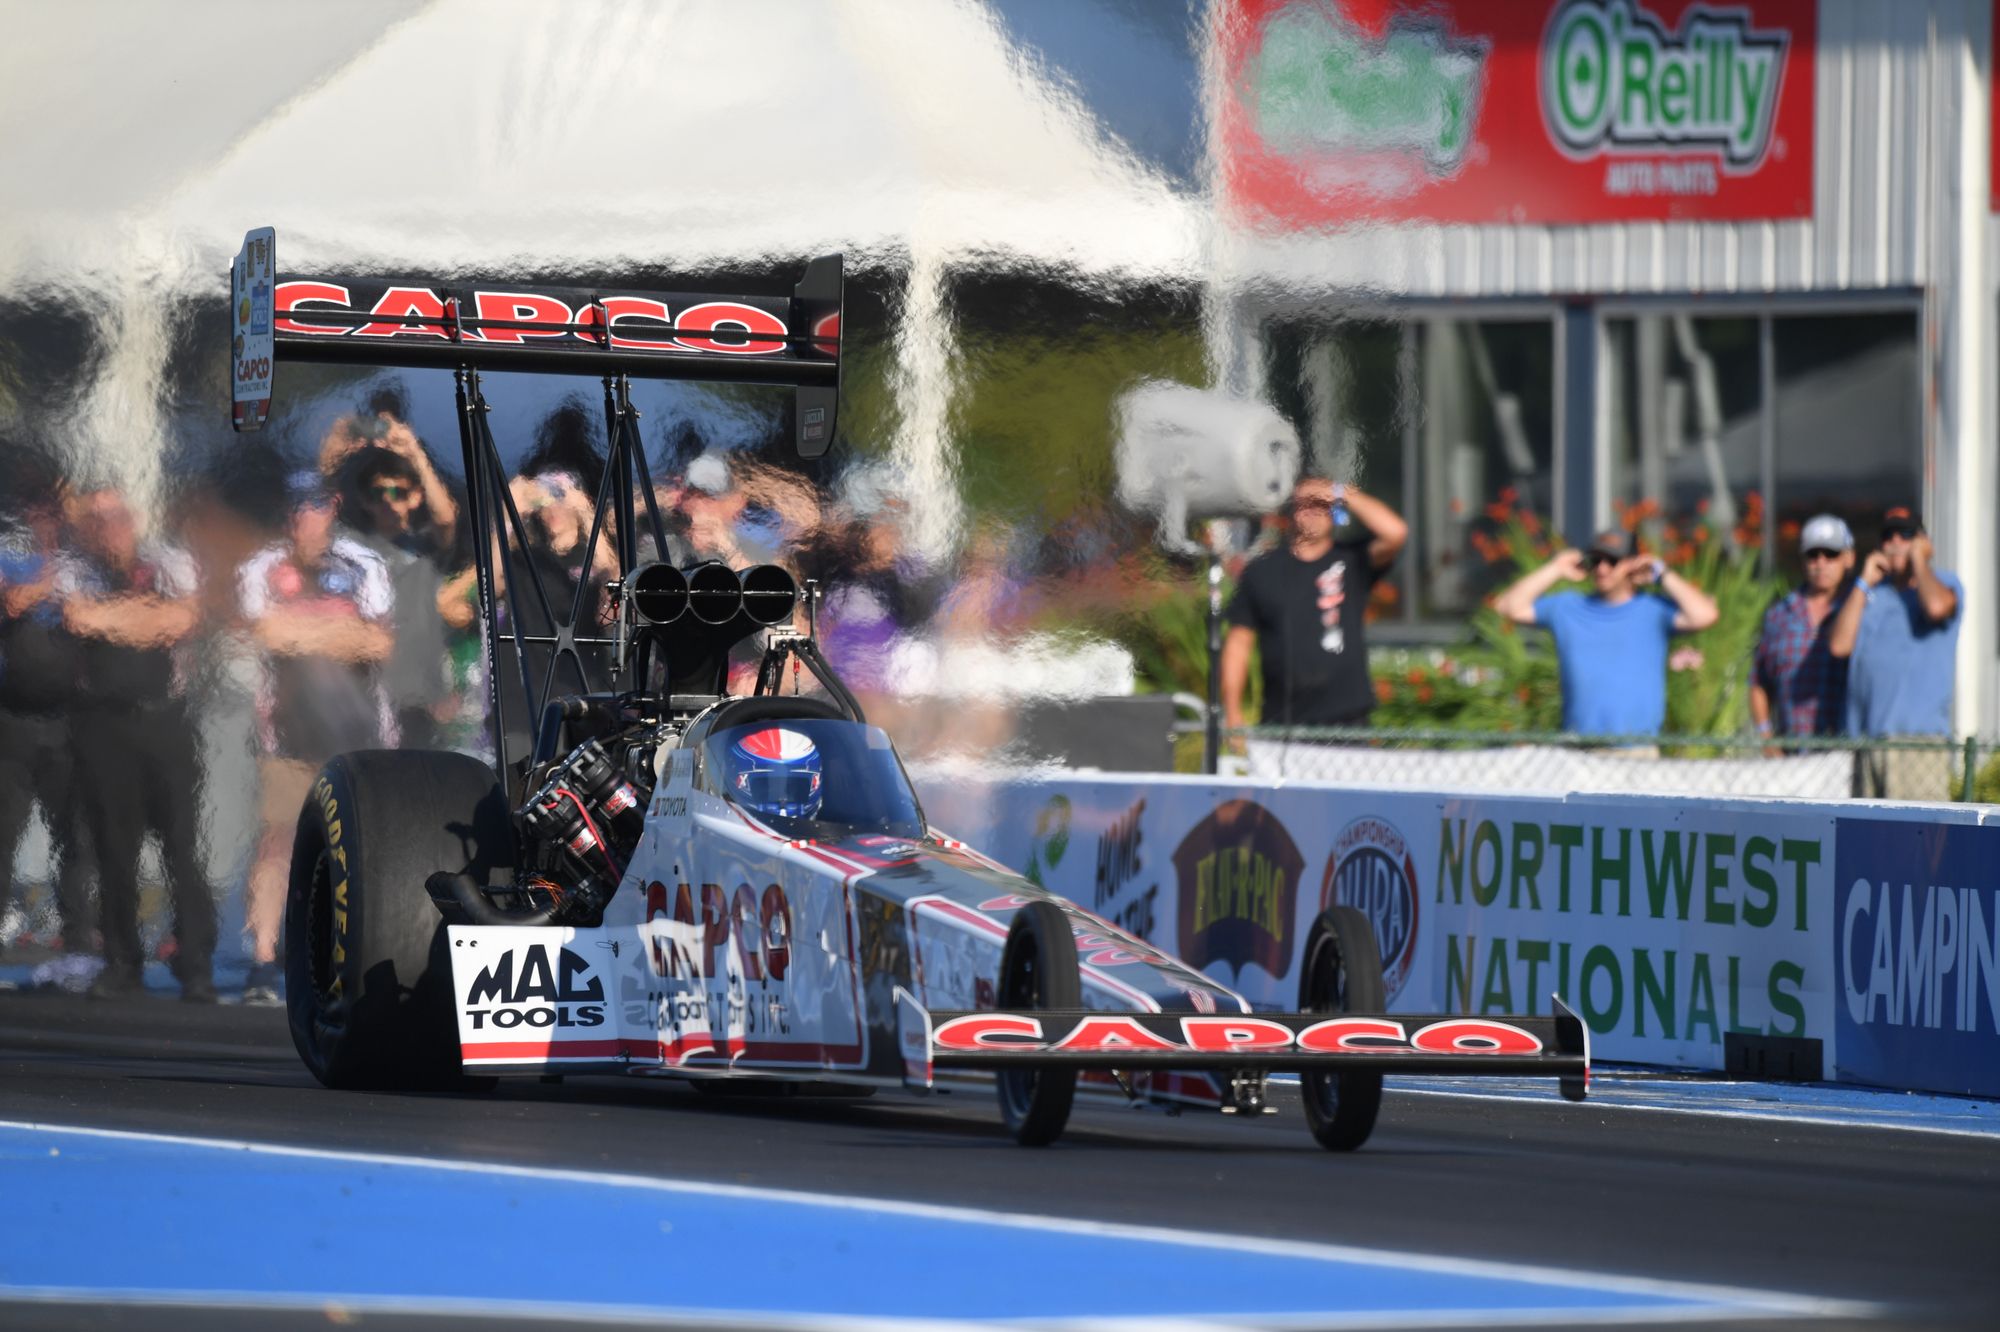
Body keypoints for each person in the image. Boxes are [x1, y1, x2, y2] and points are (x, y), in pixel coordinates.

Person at [238, 471, 395, 1003]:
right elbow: (265, 632)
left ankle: (356, 960)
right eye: (298, 508)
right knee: (276, 843)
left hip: (356, 736)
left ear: (333, 508)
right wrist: (335, 632)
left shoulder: (363, 563)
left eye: (317, 506)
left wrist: (304, 632)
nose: (307, 518)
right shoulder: (264, 565)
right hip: (286, 735)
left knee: (358, 850)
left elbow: (377, 643)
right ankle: (263, 959)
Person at [60, 487, 216, 1001]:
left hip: (165, 723)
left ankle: (194, 965)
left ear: (134, 520)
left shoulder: (169, 563)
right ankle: (122, 963)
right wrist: (143, 618)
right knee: (113, 850)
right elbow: (79, 618)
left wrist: (119, 619)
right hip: (104, 726)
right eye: (99, 520)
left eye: (118, 517)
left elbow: (182, 620)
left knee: (181, 848)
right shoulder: (76, 569)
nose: (111, 528)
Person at [1221, 477, 1408, 732]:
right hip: (1283, 724)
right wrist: (1232, 712)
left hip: (1347, 723)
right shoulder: (1261, 571)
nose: (1313, 511)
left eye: (1322, 505)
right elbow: (1238, 644)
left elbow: (1396, 532)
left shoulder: (1352, 559)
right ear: (1292, 510)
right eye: (1305, 504)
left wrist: (1340, 492)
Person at [1493, 528, 1719, 738]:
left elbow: (1706, 615)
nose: (1602, 568)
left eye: (1612, 561)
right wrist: (1556, 568)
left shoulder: (1653, 610)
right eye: (1596, 560)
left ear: (1631, 564)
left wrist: (1661, 574)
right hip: (1579, 750)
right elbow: (1508, 607)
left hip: (1636, 750)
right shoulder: (1568, 607)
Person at [0, 470, 93, 952]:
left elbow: (94, 618)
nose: (46, 521)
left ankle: (77, 932)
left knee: (71, 834)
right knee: (4, 829)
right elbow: (11, 602)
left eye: (54, 512)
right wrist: (49, 585)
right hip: (12, 719)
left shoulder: (83, 562)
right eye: (38, 511)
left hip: (67, 721)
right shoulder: (9, 555)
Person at [328, 431, 460, 748]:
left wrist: (414, 452)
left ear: (415, 497)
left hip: (423, 700)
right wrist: (340, 442)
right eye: (378, 493)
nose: (388, 501)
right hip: (370, 696)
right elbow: (315, 508)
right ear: (364, 500)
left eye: (398, 491)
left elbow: (446, 518)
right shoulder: (352, 549)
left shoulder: (427, 546)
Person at [1828, 505, 1963, 799]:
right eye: (1888, 536)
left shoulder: (1945, 585)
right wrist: (1863, 581)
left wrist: (1918, 559)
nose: (1895, 543)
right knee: (1866, 843)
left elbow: (1937, 608)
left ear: (1922, 541)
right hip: (1865, 743)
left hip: (1915, 746)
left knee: (1916, 842)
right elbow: (1839, 645)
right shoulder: (1869, 593)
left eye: (1905, 534)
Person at [1750, 514, 1854, 743]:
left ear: (1849, 558)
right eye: (1812, 555)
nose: (1821, 563)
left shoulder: (1863, 611)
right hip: (1793, 752)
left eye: (1831, 554)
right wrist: (1766, 737)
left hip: (1848, 750)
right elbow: (1758, 682)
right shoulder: (1780, 614)